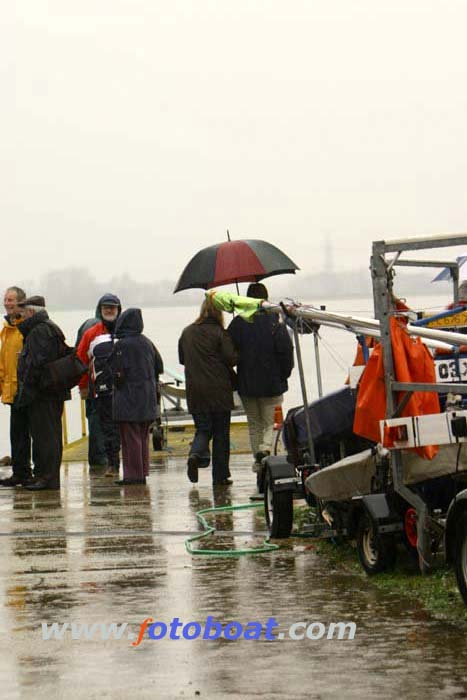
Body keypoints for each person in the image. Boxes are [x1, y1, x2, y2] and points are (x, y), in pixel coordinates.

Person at [228, 283, 294, 472]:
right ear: (265, 299)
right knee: (268, 423)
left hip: (247, 383)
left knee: (254, 423)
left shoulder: (238, 323)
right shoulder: (275, 321)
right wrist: (284, 374)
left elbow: (228, 352)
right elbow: (285, 351)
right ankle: (265, 450)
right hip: (272, 382)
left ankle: (258, 461)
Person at [178, 295, 238, 486]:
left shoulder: (187, 332)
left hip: (195, 391)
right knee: (221, 434)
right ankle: (220, 477)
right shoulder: (220, 332)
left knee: (203, 429)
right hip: (219, 391)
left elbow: (182, 358)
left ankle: (195, 454)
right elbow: (232, 359)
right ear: (219, 312)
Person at [14, 295, 70, 490]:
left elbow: (36, 365)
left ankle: (47, 478)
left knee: (47, 437)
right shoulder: (47, 328)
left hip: (43, 394)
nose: (20, 314)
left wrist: (26, 388)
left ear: (31, 311)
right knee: (48, 435)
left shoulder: (40, 331)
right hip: (50, 392)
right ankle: (43, 476)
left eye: (23, 310)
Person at [111, 308, 163, 485]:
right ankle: (142, 470)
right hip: (147, 396)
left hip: (128, 396)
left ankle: (133, 475)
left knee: (130, 437)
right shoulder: (147, 342)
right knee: (142, 435)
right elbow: (159, 366)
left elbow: (117, 372)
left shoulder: (122, 345)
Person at [76, 294, 122, 477]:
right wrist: (83, 387)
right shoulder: (91, 333)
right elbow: (80, 361)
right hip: (98, 391)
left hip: (122, 390)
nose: (109, 311)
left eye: (112, 307)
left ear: (119, 310)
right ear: (100, 310)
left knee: (119, 428)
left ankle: (116, 462)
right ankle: (104, 464)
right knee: (101, 427)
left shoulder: (125, 331)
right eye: (105, 308)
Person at [0, 286, 33, 486]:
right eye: (5, 299)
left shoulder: (26, 327)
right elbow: (3, 361)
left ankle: (30, 472)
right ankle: (19, 472)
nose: (7, 303)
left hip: (26, 388)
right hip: (12, 390)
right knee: (17, 433)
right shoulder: (6, 330)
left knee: (30, 433)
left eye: (11, 300)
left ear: (21, 303)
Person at [75, 311, 108, 468]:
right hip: (101, 385)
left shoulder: (85, 328)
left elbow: (78, 358)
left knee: (94, 420)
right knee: (103, 421)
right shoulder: (101, 332)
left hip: (90, 385)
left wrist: (81, 386)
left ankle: (96, 459)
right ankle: (102, 458)